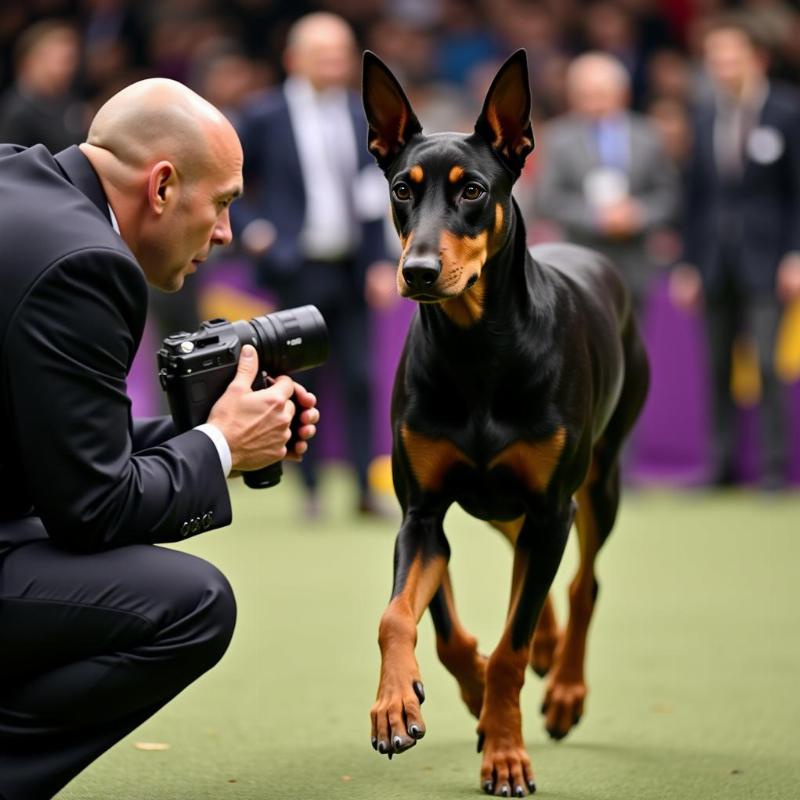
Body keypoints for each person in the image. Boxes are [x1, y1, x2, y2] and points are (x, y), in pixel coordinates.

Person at [0, 78, 319, 800]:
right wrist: (221, 450)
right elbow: (93, 511)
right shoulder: (87, 263)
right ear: (164, 186)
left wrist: (205, 432)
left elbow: (57, 444)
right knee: (192, 604)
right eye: (225, 203)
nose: (227, 233)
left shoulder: (19, 176)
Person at [234, 12, 395, 519]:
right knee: (300, 380)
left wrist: (380, 260)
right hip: (296, 265)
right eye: (323, 54)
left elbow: (376, 194)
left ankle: (366, 490)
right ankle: (308, 490)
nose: (334, 63)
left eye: (340, 53)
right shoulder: (264, 114)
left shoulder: (360, 114)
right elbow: (232, 184)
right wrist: (256, 231)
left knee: (362, 378)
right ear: (293, 58)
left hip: (351, 267)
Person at [670, 15, 800, 489]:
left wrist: (796, 253)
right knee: (717, 364)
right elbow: (696, 196)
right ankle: (721, 468)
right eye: (716, 57)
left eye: (732, 56)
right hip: (713, 261)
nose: (723, 66)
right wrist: (688, 261)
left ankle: (771, 468)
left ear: (758, 58)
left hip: (769, 261)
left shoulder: (788, 112)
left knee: (766, 363)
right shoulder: (704, 114)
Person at [534, 51, 679, 313]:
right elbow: (547, 198)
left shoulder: (648, 135)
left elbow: (669, 194)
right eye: (585, 95)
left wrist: (638, 214)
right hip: (579, 264)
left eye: (601, 93)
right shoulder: (558, 137)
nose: (594, 103)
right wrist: (596, 217)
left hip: (634, 262)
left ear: (623, 93)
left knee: (630, 345)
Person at [0, 19, 86, 152]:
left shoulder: (71, 102)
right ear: (32, 60)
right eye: (62, 59)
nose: (69, 67)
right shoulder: (17, 111)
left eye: (72, 58)